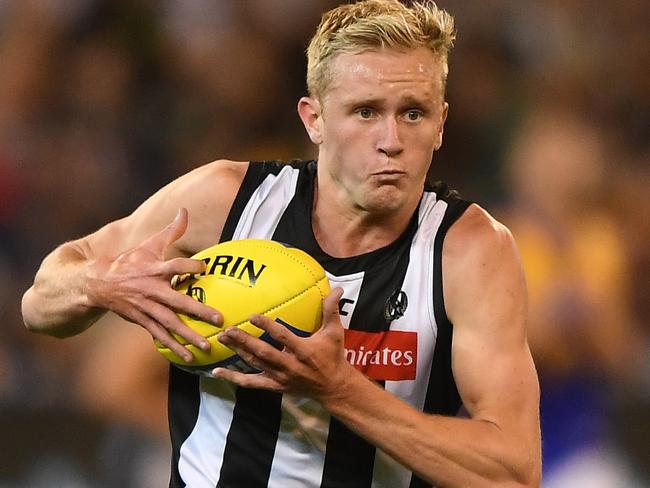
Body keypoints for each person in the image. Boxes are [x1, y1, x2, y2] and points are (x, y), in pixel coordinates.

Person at [21, 1, 541, 487]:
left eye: (413, 113)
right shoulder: (226, 201)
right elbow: (40, 302)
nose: (391, 140)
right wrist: (100, 285)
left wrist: (340, 389)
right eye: (365, 112)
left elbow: (514, 472)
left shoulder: (470, 251)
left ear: (441, 123)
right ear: (313, 119)